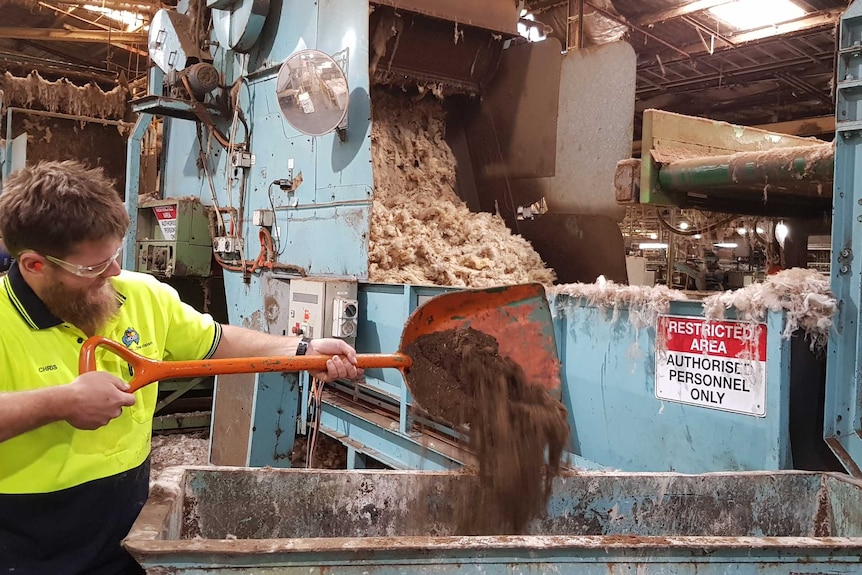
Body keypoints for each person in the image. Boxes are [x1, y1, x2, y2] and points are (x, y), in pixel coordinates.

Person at [0, 160, 362, 574]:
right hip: (25, 549)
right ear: (34, 265)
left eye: (114, 255)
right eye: (94, 267)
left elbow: (216, 341)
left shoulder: (141, 296)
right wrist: (61, 402)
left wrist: (301, 350)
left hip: (126, 540)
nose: (115, 272)